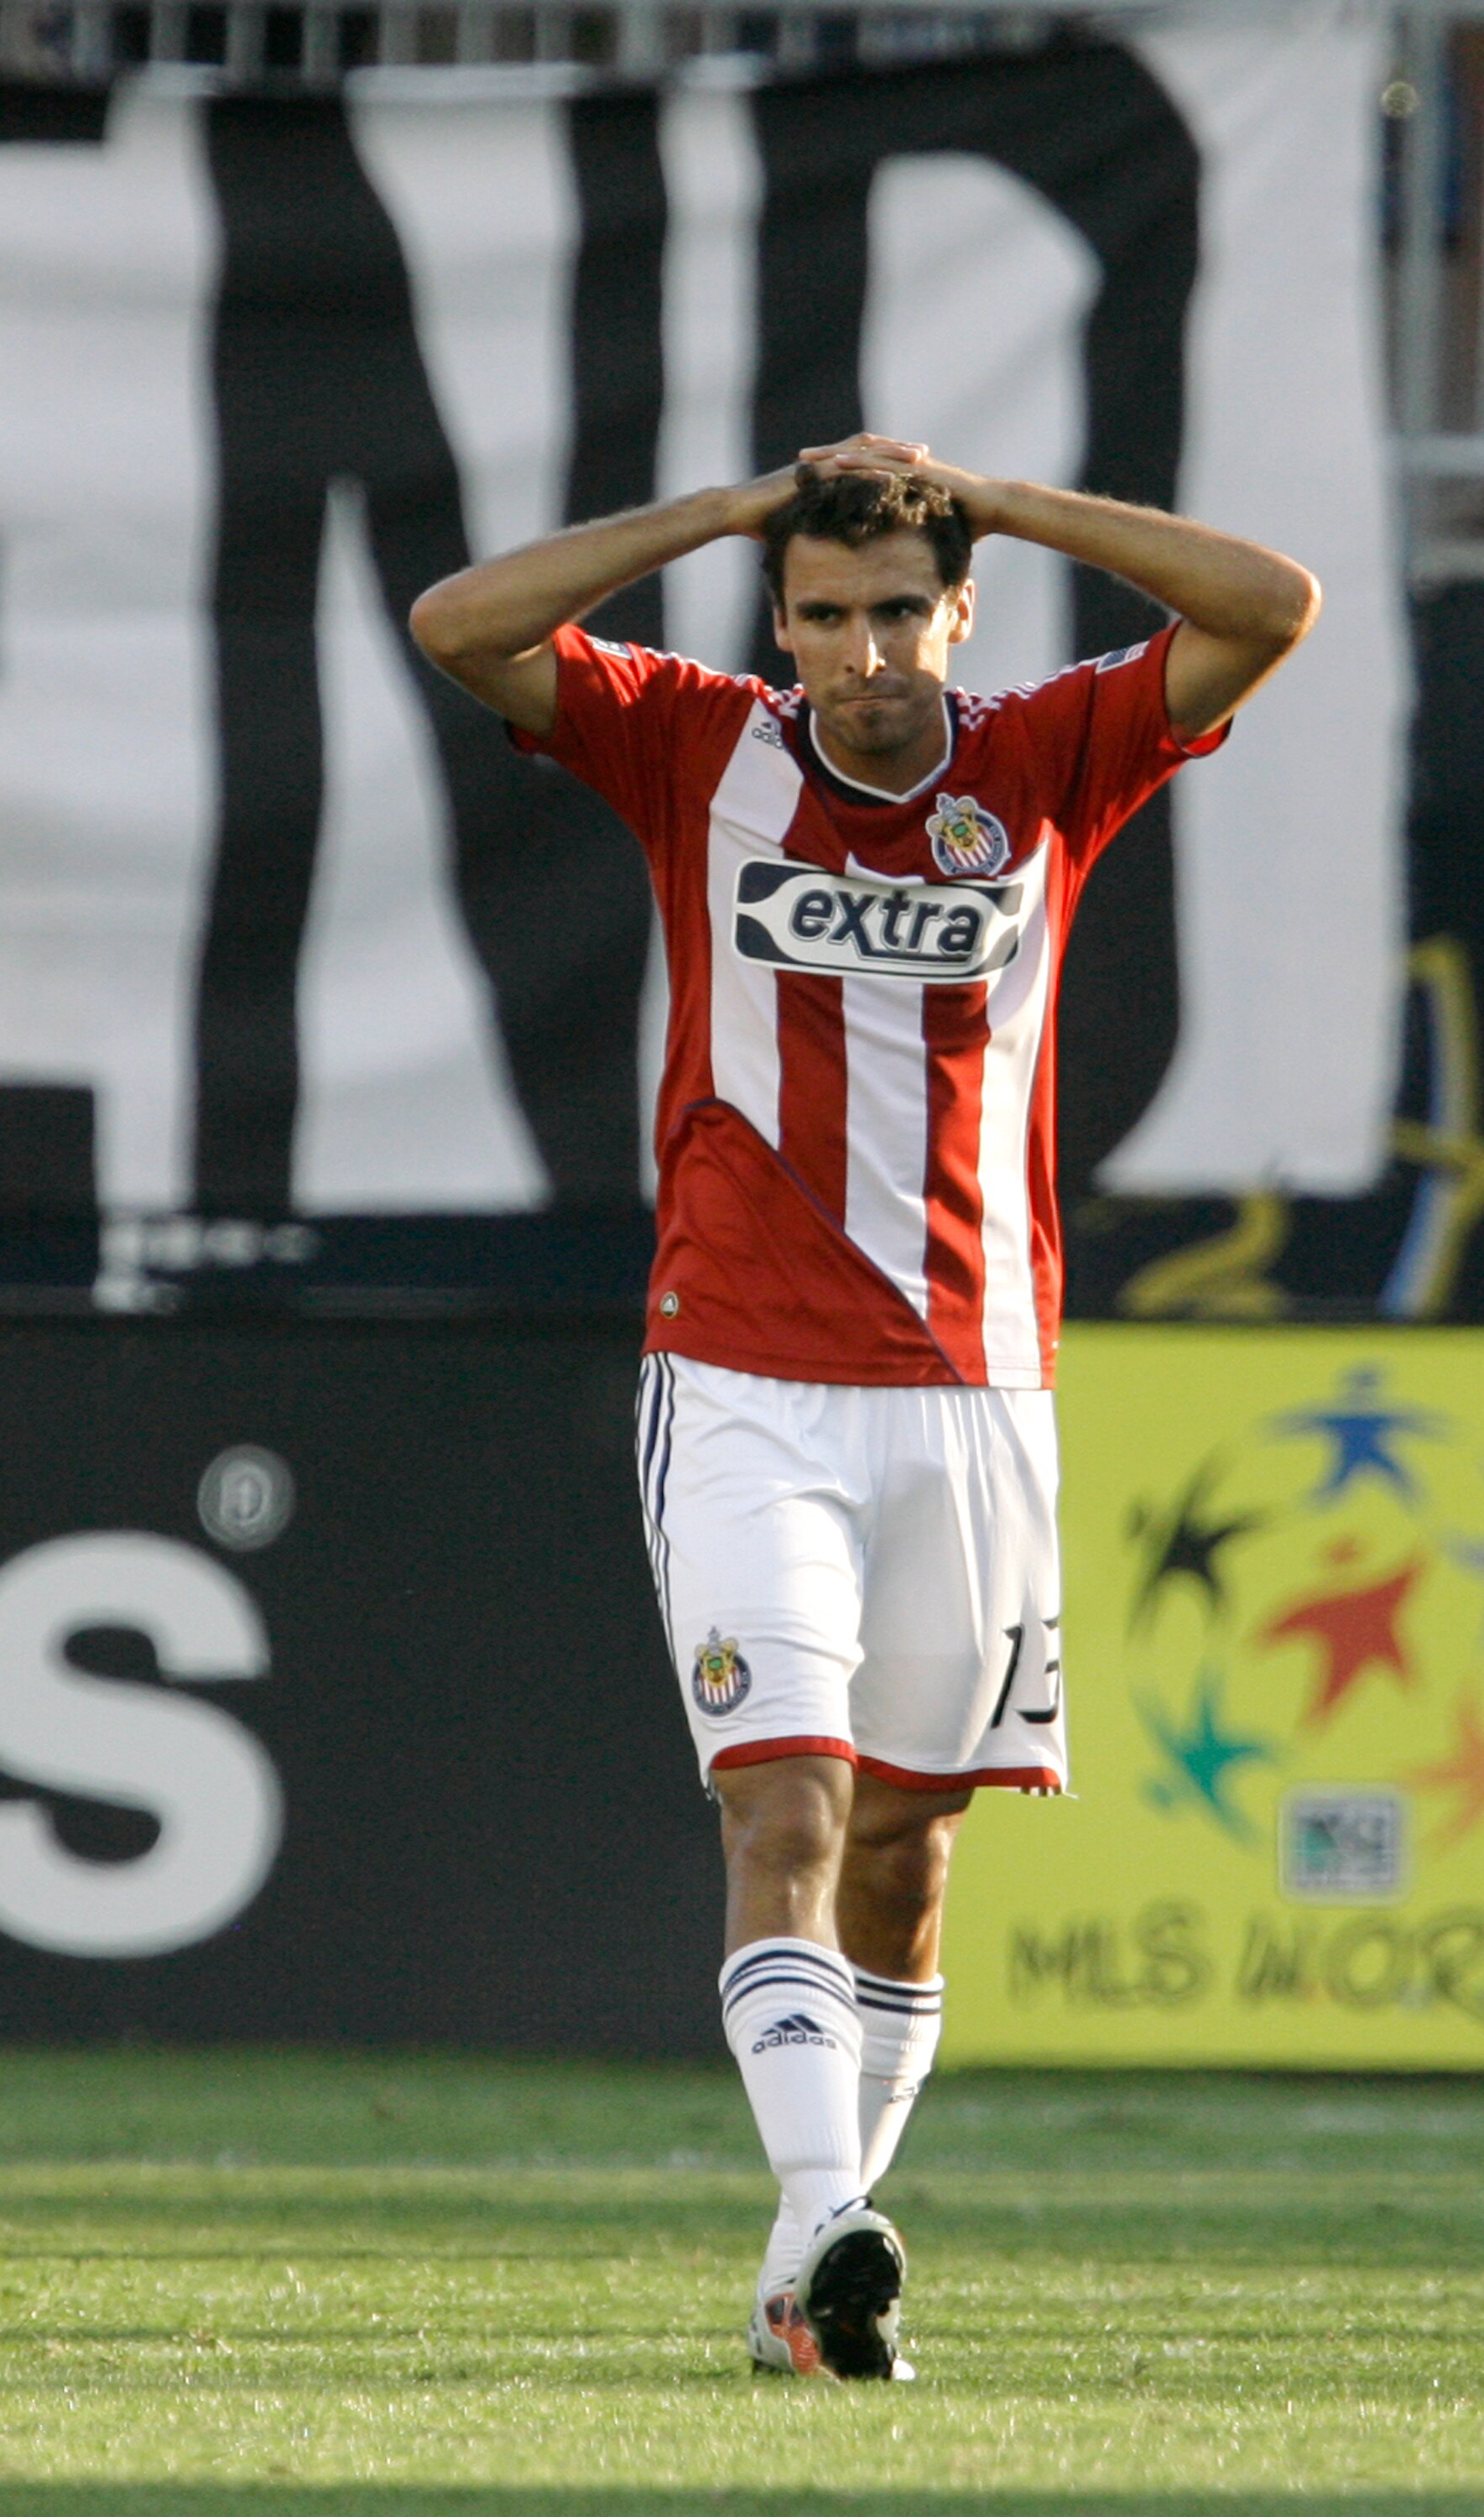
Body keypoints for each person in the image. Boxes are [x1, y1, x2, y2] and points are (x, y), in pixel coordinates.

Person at [409, 438, 1318, 2381]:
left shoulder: (1050, 758)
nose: (860, 653)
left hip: (978, 1388)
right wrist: (722, 519)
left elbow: (1269, 607)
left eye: (899, 610)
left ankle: (799, 2284)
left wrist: (1008, 497)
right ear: (781, 621)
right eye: (822, 615)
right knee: (790, 1811)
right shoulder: (695, 748)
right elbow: (458, 626)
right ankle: (833, 2218)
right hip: (742, 1377)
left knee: (912, 1855)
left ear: (959, 612)